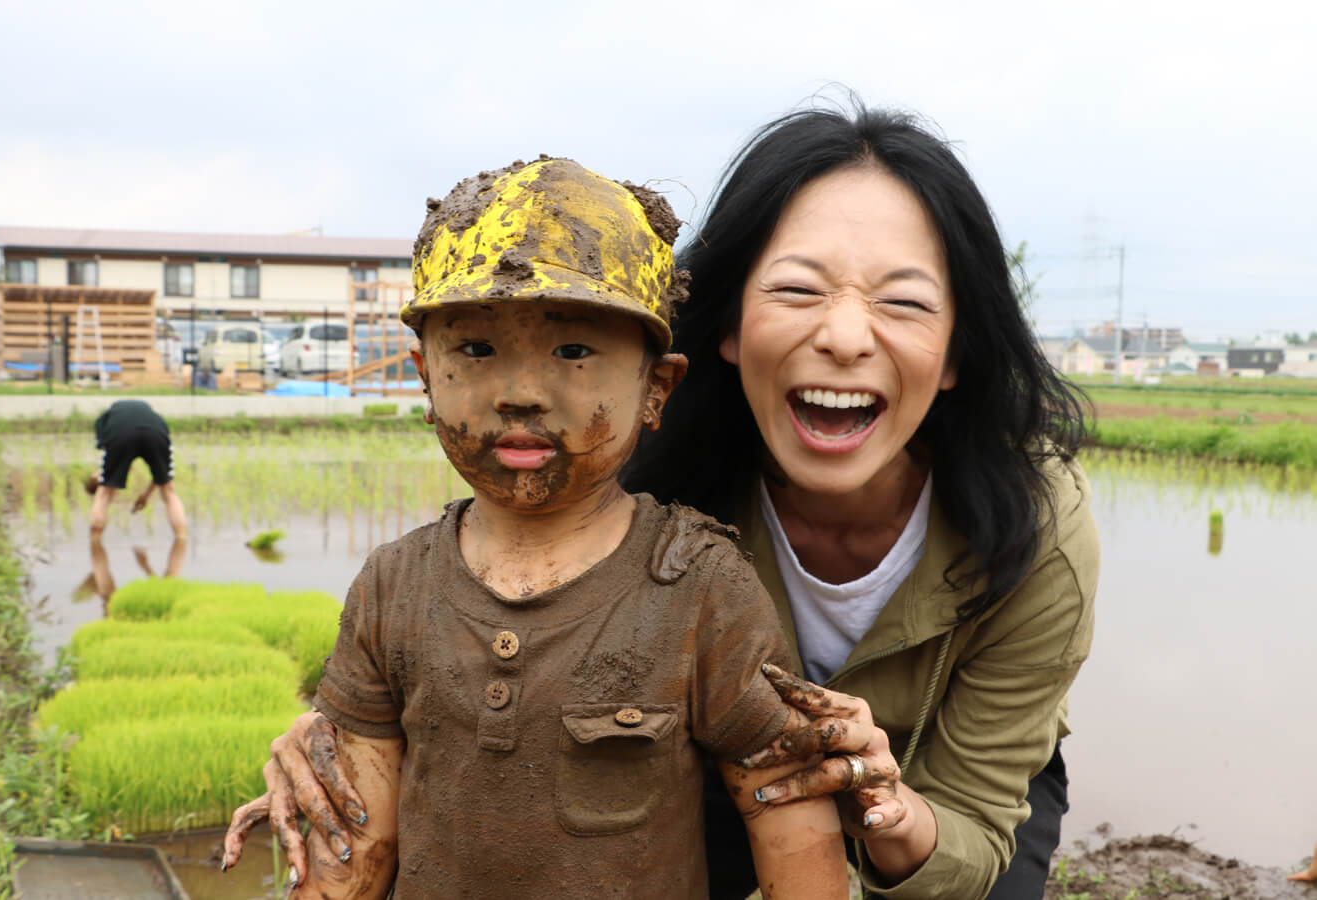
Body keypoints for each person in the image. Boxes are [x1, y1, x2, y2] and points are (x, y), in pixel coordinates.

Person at [224, 101, 1098, 900]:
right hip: (701, 756)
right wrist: (346, 728)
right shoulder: (638, 476)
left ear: (955, 353)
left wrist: (882, 803)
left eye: (902, 302)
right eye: (797, 289)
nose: (842, 336)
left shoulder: (1032, 529)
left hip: (932, 804)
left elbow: (981, 824)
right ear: (724, 326)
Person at [235, 157, 850, 899]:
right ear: (425, 378)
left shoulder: (700, 585)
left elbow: (786, 804)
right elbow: (354, 837)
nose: (521, 393)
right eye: (476, 349)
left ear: (657, 388)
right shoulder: (393, 588)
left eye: (573, 351)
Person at [83, 399, 187, 539]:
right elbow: (160, 477)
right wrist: (146, 495)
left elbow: (110, 460)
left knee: (104, 494)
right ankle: (181, 538)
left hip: (120, 433)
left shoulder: (104, 419)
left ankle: (95, 541)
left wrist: (107, 482)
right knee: (169, 491)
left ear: (96, 477)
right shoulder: (150, 414)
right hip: (156, 431)